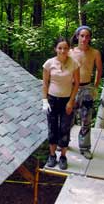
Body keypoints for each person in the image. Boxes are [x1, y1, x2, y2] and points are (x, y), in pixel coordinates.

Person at [42, 37, 80, 170]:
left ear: (69, 49)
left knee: (64, 129)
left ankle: (63, 156)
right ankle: (52, 156)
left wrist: (71, 101)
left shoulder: (74, 64)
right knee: (52, 128)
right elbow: (45, 83)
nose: (62, 50)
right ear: (55, 49)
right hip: (52, 100)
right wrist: (45, 101)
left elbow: (76, 84)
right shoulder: (49, 63)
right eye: (60, 48)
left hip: (67, 101)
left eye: (65, 48)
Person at [69, 25, 102, 159]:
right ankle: (63, 143)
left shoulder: (95, 53)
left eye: (87, 36)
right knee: (68, 117)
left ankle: (84, 147)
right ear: (77, 36)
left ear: (90, 38)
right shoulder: (70, 52)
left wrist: (95, 86)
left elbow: (99, 69)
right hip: (71, 88)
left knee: (86, 119)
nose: (84, 39)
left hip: (87, 88)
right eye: (82, 36)